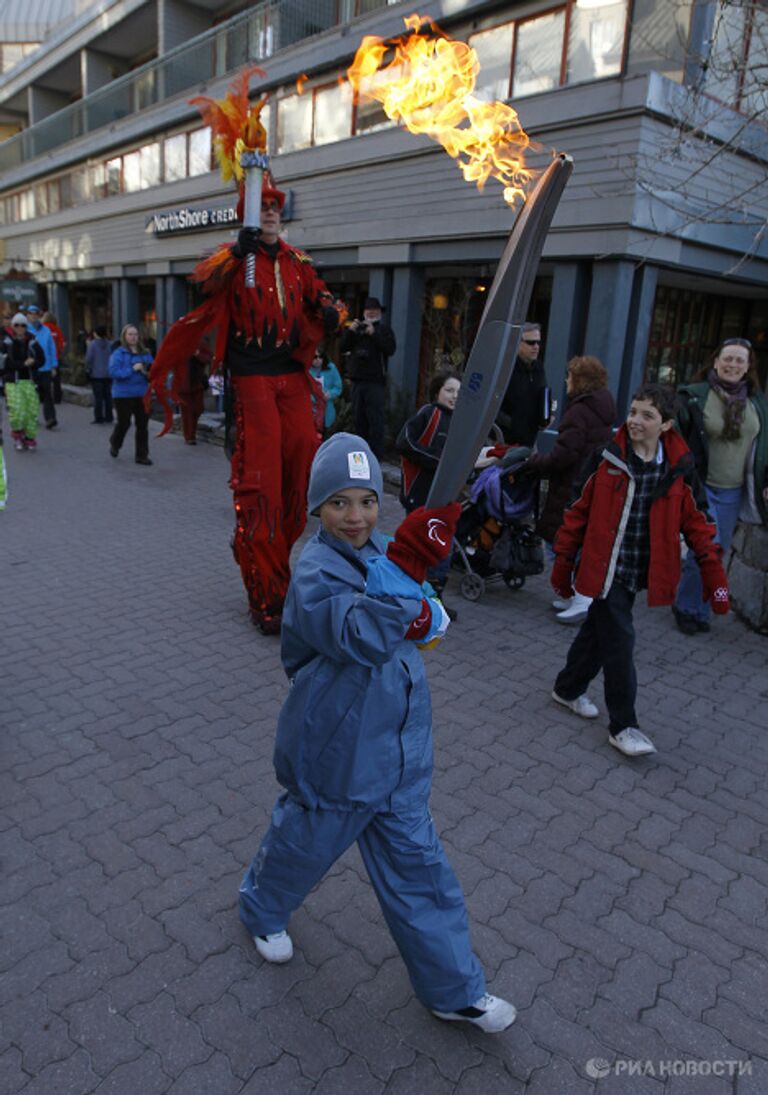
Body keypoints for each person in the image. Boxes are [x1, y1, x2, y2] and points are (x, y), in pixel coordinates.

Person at [238, 432, 516, 1034]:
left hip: (399, 755)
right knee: (301, 846)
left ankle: (453, 989)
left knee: (422, 872)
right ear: (318, 509)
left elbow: (423, 617)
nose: (355, 516)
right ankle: (261, 908)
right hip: (337, 755)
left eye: (366, 501)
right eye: (339, 503)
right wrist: (407, 577)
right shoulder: (313, 571)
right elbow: (359, 635)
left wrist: (428, 610)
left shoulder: (383, 550)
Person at [550, 383, 729, 758]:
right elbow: (576, 510)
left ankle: (567, 688)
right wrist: (563, 561)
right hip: (604, 569)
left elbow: (698, 522)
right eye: (632, 412)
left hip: (636, 570)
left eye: (647, 415)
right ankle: (624, 725)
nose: (634, 421)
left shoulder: (679, 467)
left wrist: (713, 575)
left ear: (665, 424)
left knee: (599, 633)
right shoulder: (607, 458)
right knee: (619, 641)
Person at [672, 338, 768, 635]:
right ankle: (687, 607)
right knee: (705, 547)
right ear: (716, 361)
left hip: (733, 489)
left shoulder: (757, 403)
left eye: (740, 360)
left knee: (718, 551)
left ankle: (698, 608)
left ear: (748, 367)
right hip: (702, 486)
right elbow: (675, 433)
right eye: (728, 359)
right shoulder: (695, 396)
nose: (733, 365)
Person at [521, 356, 616, 624]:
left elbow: (565, 454)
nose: (566, 381)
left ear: (579, 380)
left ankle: (581, 596)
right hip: (588, 482)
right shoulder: (602, 407)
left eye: (569, 376)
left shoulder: (579, 411)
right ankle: (576, 594)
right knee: (574, 539)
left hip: (571, 483)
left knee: (562, 541)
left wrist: (535, 462)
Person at [396, 369, 461, 612]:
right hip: (420, 494)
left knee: (442, 548)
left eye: (459, 392)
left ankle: (434, 600)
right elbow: (404, 442)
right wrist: (438, 462)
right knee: (418, 546)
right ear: (437, 392)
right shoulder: (428, 413)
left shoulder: (460, 421)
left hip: (445, 498)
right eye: (450, 390)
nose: (454, 396)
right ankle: (413, 598)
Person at [340, 297, 396, 459]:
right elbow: (343, 347)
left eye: (375, 310)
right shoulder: (357, 330)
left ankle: (376, 457)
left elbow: (390, 349)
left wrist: (374, 334)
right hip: (357, 381)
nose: (372, 312)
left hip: (375, 382)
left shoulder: (384, 330)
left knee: (376, 421)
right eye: (368, 309)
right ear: (364, 312)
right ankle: (360, 455)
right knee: (359, 420)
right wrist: (351, 331)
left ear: (379, 312)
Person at [498, 322, 549, 447]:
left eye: (538, 342)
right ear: (518, 343)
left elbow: (544, 395)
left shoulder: (538, 368)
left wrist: (548, 415)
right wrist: (513, 424)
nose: (536, 347)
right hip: (504, 440)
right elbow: (493, 406)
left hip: (530, 440)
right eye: (531, 342)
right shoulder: (504, 369)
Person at [108, 324, 153, 465]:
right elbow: (114, 373)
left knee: (142, 426)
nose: (133, 337)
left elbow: (153, 373)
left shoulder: (145, 353)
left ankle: (141, 456)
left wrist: (146, 372)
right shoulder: (118, 353)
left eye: (135, 334)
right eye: (130, 334)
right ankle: (115, 443)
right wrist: (132, 369)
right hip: (123, 395)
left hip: (142, 394)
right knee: (124, 423)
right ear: (124, 336)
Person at [1, 313, 44, 451]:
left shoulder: (32, 341)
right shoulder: (6, 343)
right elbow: (5, 364)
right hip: (12, 381)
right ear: (13, 326)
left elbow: (42, 359)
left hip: (29, 381)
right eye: (17, 325)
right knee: (17, 411)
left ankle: (29, 438)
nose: (20, 327)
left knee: (31, 412)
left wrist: (34, 362)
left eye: (23, 325)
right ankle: (18, 436)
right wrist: (24, 364)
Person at [25, 304, 58, 429]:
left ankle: (50, 418)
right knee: (33, 395)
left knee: (48, 394)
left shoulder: (46, 330)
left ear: (39, 315)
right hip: (31, 369)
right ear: (28, 316)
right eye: (31, 314)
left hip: (46, 367)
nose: (34, 317)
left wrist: (54, 366)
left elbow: (52, 348)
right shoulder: (25, 330)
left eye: (36, 314)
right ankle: (32, 418)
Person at [176, 341, 211, 445]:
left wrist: (197, 354)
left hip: (197, 383)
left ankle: (191, 434)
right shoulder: (179, 343)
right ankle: (189, 437)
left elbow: (208, 358)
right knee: (186, 412)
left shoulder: (201, 343)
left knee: (198, 409)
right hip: (183, 384)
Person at [309, 349, 343, 436]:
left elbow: (338, 387)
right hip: (310, 410)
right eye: (315, 357)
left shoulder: (331, 368)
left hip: (327, 409)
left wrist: (330, 394)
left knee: (327, 435)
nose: (318, 359)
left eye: (321, 357)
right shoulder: (306, 370)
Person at [85, 325, 114, 424]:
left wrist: (88, 370)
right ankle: (109, 416)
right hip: (108, 374)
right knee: (108, 396)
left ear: (95, 333)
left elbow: (89, 359)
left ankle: (99, 417)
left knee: (98, 397)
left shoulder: (92, 345)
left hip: (96, 374)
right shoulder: (110, 344)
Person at [42, 311, 66, 404]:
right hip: (55, 358)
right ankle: (57, 398)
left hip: (44, 358)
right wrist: (58, 352)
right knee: (56, 379)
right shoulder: (57, 329)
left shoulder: (43, 329)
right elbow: (62, 343)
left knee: (44, 378)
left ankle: (45, 397)